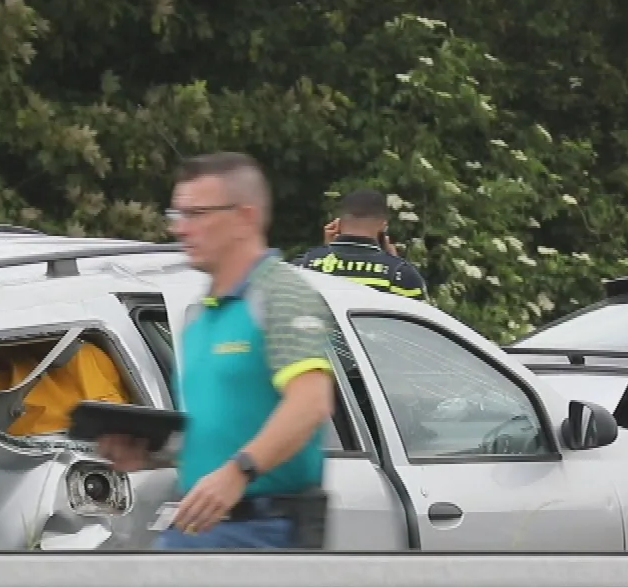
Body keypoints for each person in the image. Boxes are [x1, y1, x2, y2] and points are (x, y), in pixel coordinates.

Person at [97, 152, 337, 550]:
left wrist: (238, 472)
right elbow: (218, 430)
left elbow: (311, 404)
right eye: (177, 214)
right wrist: (151, 453)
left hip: (265, 534)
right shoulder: (198, 316)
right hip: (198, 528)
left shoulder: (282, 295)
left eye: (196, 214)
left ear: (245, 217)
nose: (181, 229)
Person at [294, 188, 429, 299]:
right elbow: (419, 327)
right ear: (383, 226)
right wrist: (396, 263)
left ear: (338, 223)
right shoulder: (401, 276)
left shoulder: (302, 266)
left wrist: (325, 252)